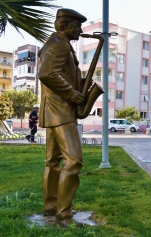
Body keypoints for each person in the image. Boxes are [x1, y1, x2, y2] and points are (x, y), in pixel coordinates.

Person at [37, 8, 87, 223]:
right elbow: (47, 74)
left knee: (52, 161)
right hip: (61, 111)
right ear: (65, 26)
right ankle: (63, 212)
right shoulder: (59, 44)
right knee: (74, 161)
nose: (81, 30)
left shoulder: (54, 43)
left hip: (53, 111)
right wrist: (71, 93)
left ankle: (51, 207)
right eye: (78, 25)